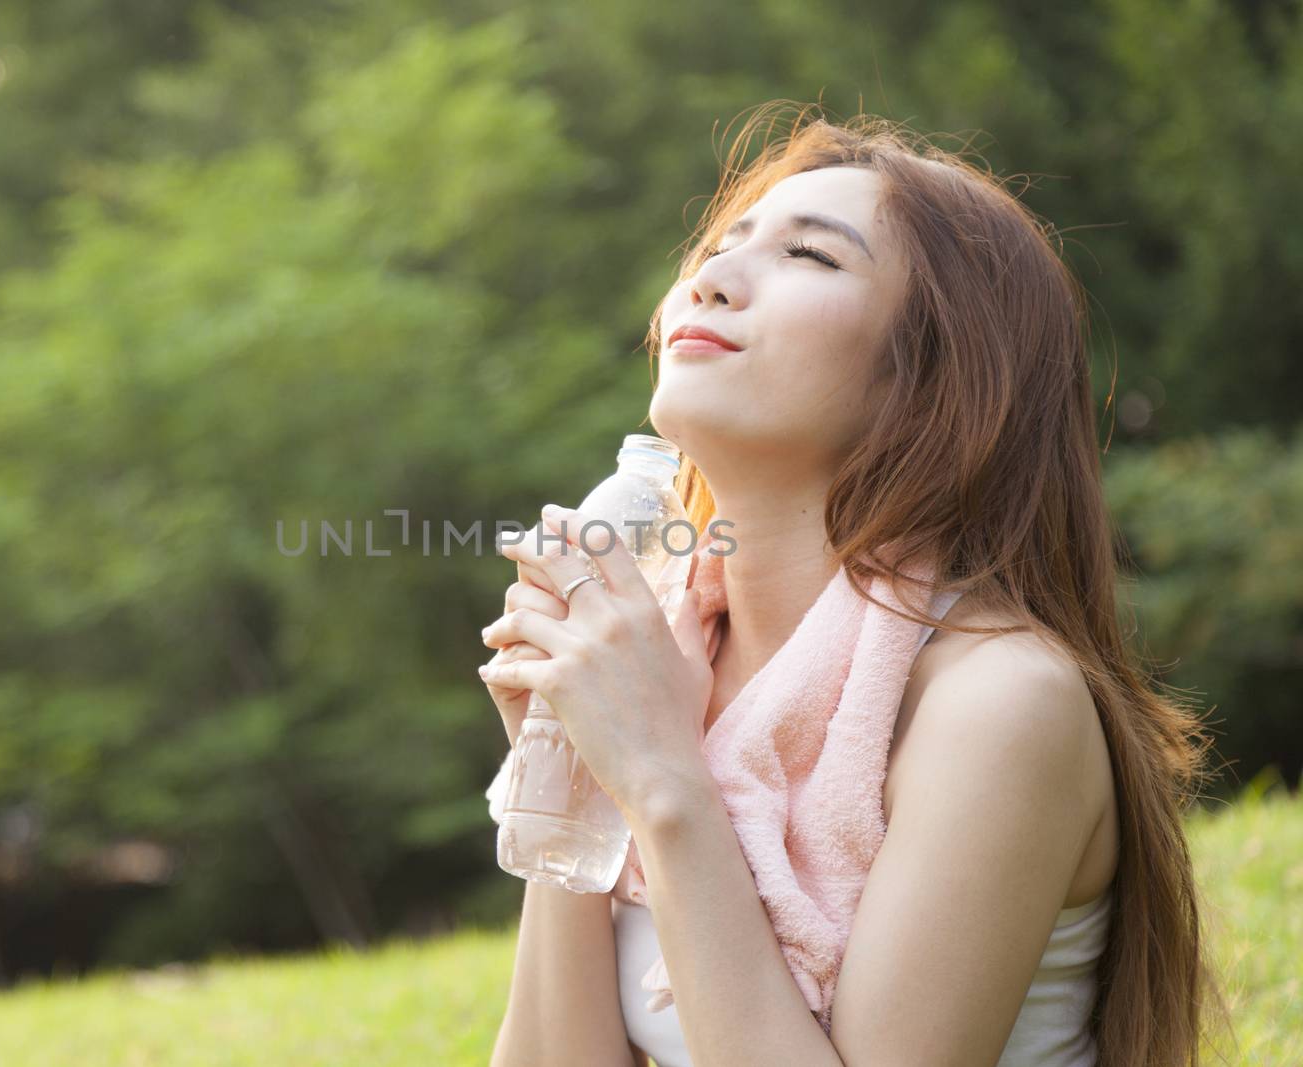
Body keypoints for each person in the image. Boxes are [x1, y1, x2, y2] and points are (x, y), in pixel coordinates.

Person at [477, 105, 1227, 1067]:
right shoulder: (671, 656)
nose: (707, 279)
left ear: (935, 378)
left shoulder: (1000, 701)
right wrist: (580, 767)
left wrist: (662, 775)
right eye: (715, 247)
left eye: (809, 257)